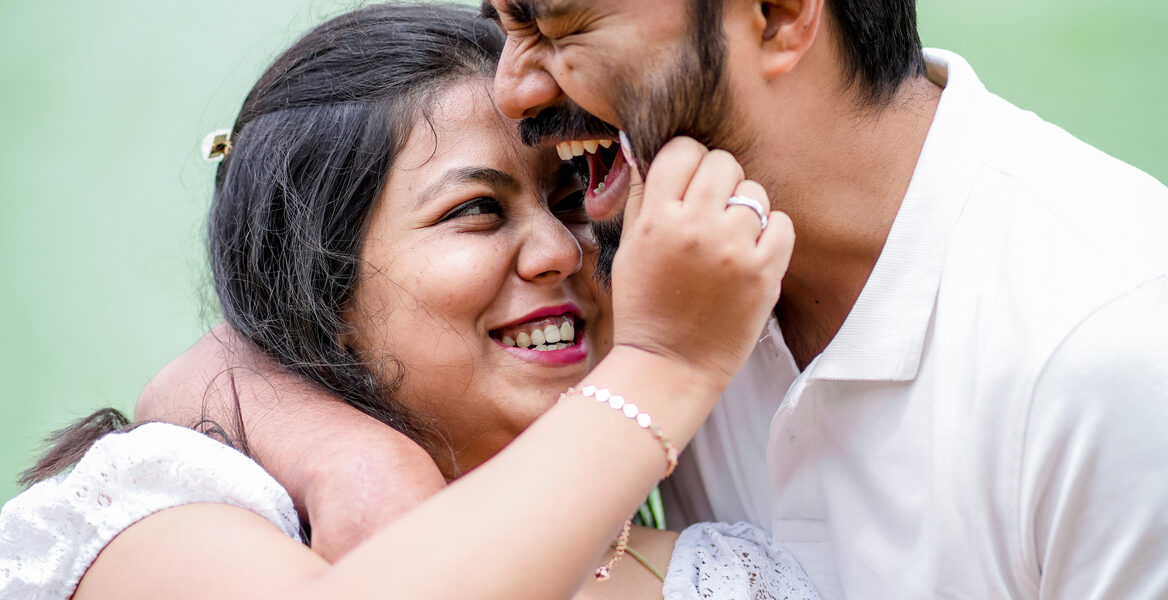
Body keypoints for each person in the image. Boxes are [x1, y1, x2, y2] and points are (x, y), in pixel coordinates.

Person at [175, 0, 1168, 598]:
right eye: (506, 22)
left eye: (560, 24)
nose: (516, 87)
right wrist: (356, 462)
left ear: (778, 15)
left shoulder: (1109, 349)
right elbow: (253, 339)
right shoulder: (637, 251)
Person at [0, 4, 809, 599]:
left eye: (570, 202)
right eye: (477, 211)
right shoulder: (166, 518)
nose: (562, 250)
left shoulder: (727, 576)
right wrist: (662, 367)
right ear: (319, 283)